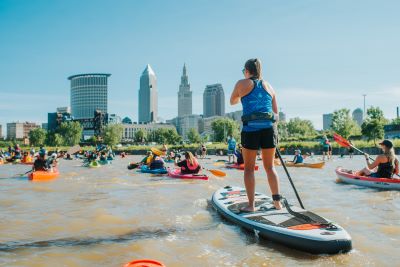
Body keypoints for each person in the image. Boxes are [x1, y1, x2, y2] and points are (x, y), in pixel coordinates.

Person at [230, 58, 282, 210]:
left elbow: (232, 101)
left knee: (249, 169)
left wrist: (242, 94)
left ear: (247, 70)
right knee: (270, 167)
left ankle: (251, 205)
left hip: (251, 130)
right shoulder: (270, 87)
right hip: (269, 129)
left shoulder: (242, 83)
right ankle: (277, 203)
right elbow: (276, 114)